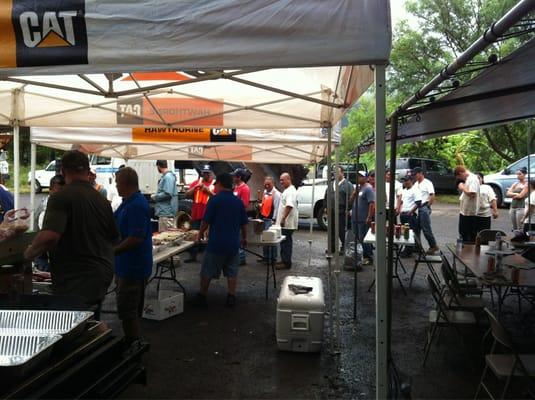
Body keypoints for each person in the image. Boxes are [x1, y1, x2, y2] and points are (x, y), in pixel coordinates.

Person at [23, 150, 119, 312]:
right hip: (101, 273)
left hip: (76, 278)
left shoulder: (60, 197)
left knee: (73, 326)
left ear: (63, 171)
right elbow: (114, 236)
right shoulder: (101, 200)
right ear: (88, 171)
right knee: (89, 322)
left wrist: (28, 254)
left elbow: (49, 236)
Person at [195, 173, 248, 307]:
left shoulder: (215, 200)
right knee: (232, 272)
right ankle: (231, 297)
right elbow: (244, 224)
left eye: (216, 185)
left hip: (216, 244)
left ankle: (202, 296)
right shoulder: (238, 202)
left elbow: (206, 221)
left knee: (207, 271)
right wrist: (244, 238)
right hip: (233, 245)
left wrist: (199, 234)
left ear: (219, 183)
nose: (215, 187)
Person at [113, 167, 152, 345]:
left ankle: (133, 343)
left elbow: (136, 238)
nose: (116, 185)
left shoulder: (136, 205)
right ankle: (131, 340)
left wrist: (113, 251)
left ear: (126, 183)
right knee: (126, 306)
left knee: (128, 309)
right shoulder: (127, 202)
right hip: (125, 265)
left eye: (117, 182)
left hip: (133, 267)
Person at [184, 165, 214, 263]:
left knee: (208, 236)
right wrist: (195, 187)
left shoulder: (214, 184)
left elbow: (217, 197)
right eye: (204, 172)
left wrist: (208, 191)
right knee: (195, 234)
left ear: (210, 173)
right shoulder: (196, 183)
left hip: (208, 214)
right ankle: (193, 256)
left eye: (207, 173)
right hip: (196, 213)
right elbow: (187, 194)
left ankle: (208, 257)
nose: (205, 174)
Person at [324, 166, 354, 253]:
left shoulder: (348, 184)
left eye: (337, 172)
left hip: (342, 211)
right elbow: (326, 196)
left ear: (342, 173)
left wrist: (348, 209)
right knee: (331, 230)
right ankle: (332, 247)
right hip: (331, 210)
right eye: (334, 172)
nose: (335, 174)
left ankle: (344, 247)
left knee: (342, 230)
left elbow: (351, 198)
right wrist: (326, 206)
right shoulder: (331, 184)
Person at [350, 171, 375, 265]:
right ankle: (360, 255)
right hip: (355, 218)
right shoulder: (358, 188)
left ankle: (368, 256)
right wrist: (354, 194)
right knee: (357, 238)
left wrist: (369, 216)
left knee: (364, 238)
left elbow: (371, 204)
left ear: (366, 178)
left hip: (363, 218)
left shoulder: (368, 188)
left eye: (361, 176)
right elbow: (350, 201)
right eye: (357, 176)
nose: (358, 178)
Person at [413, 167, 439, 254]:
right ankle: (417, 247)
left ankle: (433, 246)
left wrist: (427, 206)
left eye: (416, 174)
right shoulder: (416, 184)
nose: (415, 176)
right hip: (417, 207)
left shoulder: (427, 183)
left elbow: (432, 196)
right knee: (416, 229)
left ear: (420, 173)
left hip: (424, 207)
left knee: (426, 228)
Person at [275, 172, 299, 270]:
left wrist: (283, 218)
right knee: (284, 242)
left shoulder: (291, 191)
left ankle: (286, 262)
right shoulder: (288, 190)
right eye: (280, 180)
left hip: (287, 222)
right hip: (285, 222)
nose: (281, 182)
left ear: (288, 179)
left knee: (286, 242)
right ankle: (284, 260)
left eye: (282, 180)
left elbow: (289, 205)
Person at [455, 166, 480, 243]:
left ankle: (468, 252)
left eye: (459, 177)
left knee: (468, 235)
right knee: (462, 233)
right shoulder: (468, 179)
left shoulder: (473, 179)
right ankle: (464, 251)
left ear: (461, 173)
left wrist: (462, 187)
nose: (461, 179)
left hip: (470, 213)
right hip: (465, 211)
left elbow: (472, 194)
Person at [259, 176, 281, 263]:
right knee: (264, 238)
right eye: (265, 184)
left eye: (268, 184)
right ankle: (265, 257)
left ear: (273, 184)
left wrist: (274, 220)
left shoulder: (277, 194)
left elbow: (277, 208)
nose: (266, 186)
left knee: (271, 239)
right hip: (264, 218)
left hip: (271, 219)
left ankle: (272, 258)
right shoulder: (265, 192)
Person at [231, 168, 251, 265]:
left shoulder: (245, 188)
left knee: (240, 238)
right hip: (233, 217)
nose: (233, 177)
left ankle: (241, 259)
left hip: (239, 218)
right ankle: (237, 257)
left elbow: (244, 204)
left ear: (239, 177)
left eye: (234, 176)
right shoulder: (235, 187)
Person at [398, 175, 421, 256]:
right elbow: (402, 202)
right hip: (403, 214)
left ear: (411, 180)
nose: (405, 182)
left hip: (410, 215)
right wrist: (400, 210)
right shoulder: (404, 190)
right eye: (404, 181)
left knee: (409, 233)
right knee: (404, 232)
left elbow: (418, 203)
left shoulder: (415, 190)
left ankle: (408, 251)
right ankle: (409, 248)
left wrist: (410, 212)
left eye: (406, 180)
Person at [152, 160, 178, 232]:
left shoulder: (168, 177)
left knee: (166, 237)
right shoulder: (168, 177)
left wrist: (155, 196)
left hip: (166, 212)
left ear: (158, 166)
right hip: (166, 212)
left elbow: (168, 193)